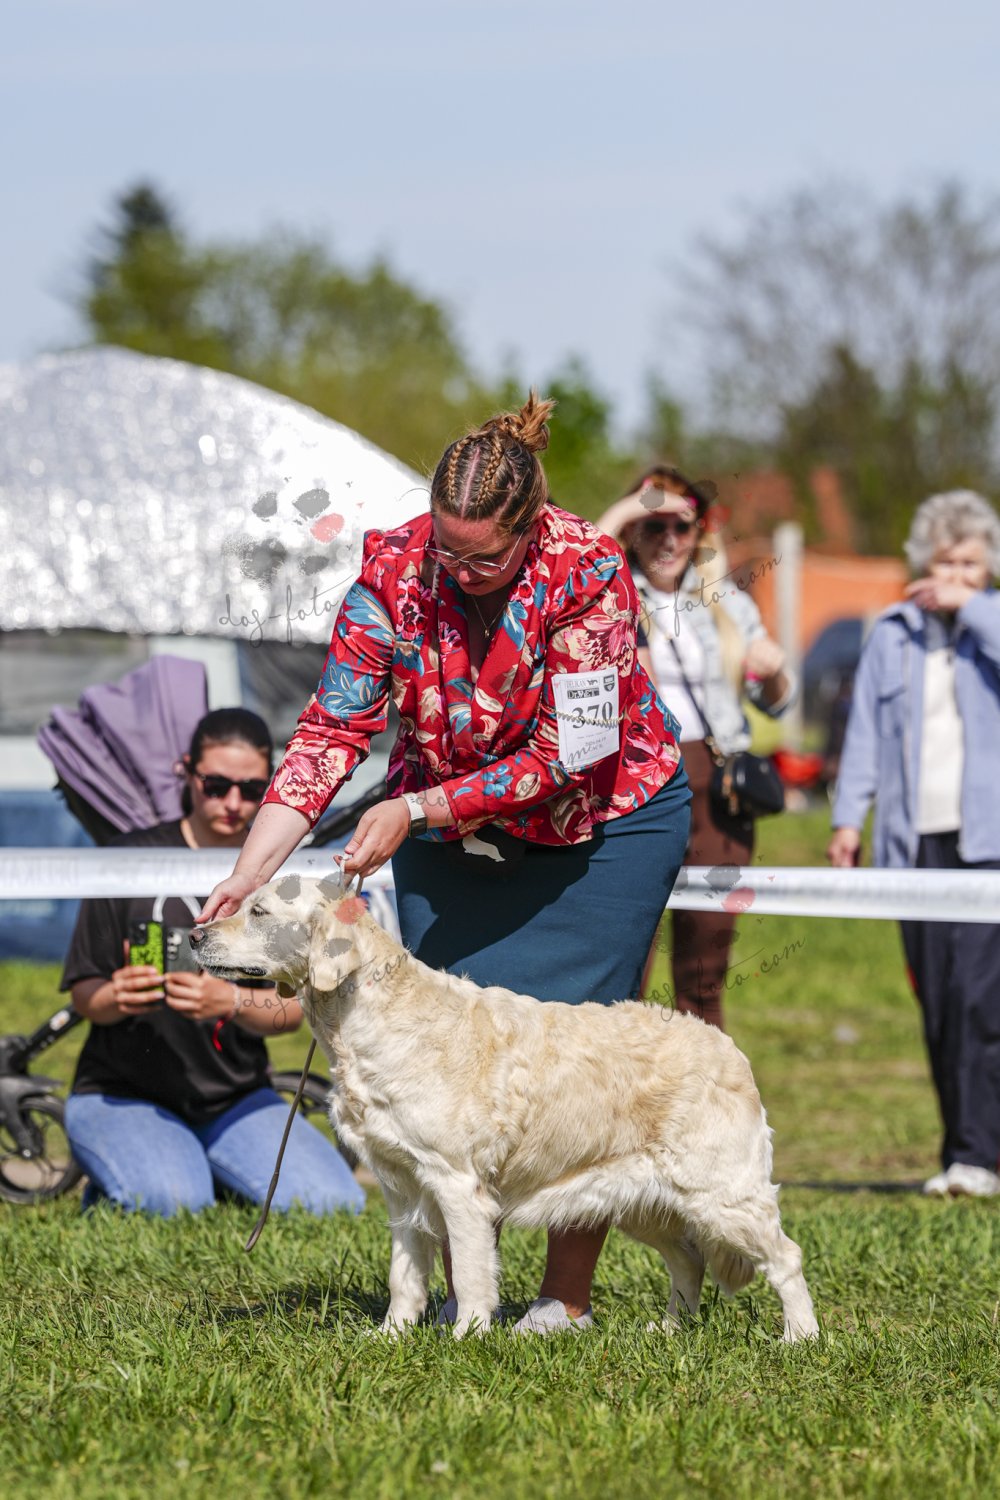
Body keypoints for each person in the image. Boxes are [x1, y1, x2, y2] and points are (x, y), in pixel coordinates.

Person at [201, 394, 692, 1333]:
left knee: (578, 1060)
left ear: (530, 526)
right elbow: (332, 727)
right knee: (451, 1059)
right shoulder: (391, 568)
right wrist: (254, 867)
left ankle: (565, 1299)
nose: (459, 573)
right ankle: (467, 1292)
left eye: (483, 560)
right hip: (446, 829)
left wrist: (419, 806)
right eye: (446, 553)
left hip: (603, 826)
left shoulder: (589, 569)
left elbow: (574, 752)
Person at [61, 708, 365, 1218]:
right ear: (187, 772)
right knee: (173, 1201)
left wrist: (230, 1001)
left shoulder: (279, 877)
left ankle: (201, 1168)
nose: (232, 803)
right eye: (216, 785)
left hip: (236, 1097)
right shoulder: (128, 857)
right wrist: (115, 997)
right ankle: (151, 1171)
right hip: (121, 1092)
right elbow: (83, 993)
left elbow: (292, 1013)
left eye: (251, 789)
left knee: (334, 1204)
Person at [829, 490, 1000, 1199]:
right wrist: (848, 820)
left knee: (979, 996)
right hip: (914, 841)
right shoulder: (893, 633)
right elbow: (865, 734)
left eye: (970, 564)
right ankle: (964, 1150)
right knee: (938, 999)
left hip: (987, 842)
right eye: (945, 562)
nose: (955, 576)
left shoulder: (992, 623)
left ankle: (978, 1154)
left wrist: (973, 607)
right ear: (923, 563)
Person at [597, 467, 792, 1029]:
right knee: (623, 968)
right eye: (651, 525)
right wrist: (627, 509)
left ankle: (706, 1083)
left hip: (714, 786)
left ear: (698, 533)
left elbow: (779, 702)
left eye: (681, 526)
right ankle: (621, 1081)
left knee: (703, 971)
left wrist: (773, 674)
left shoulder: (724, 601)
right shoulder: (610, 590)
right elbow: (575, 564)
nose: (668, 539)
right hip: (635, 782)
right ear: (631, 530)